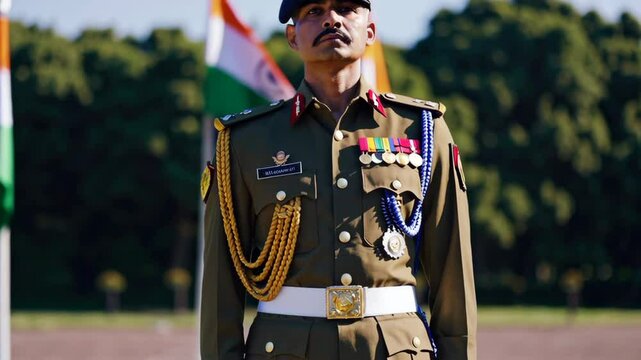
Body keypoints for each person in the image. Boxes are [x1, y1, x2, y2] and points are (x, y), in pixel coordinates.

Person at [199, 0, 476, 359]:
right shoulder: (246, 140)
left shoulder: (423, 129)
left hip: (394, 349)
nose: (331, 19)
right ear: (292, 37)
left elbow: (454, 274)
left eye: (346, 8)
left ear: (370, 30)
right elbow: (220, 285)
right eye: (314, 11)